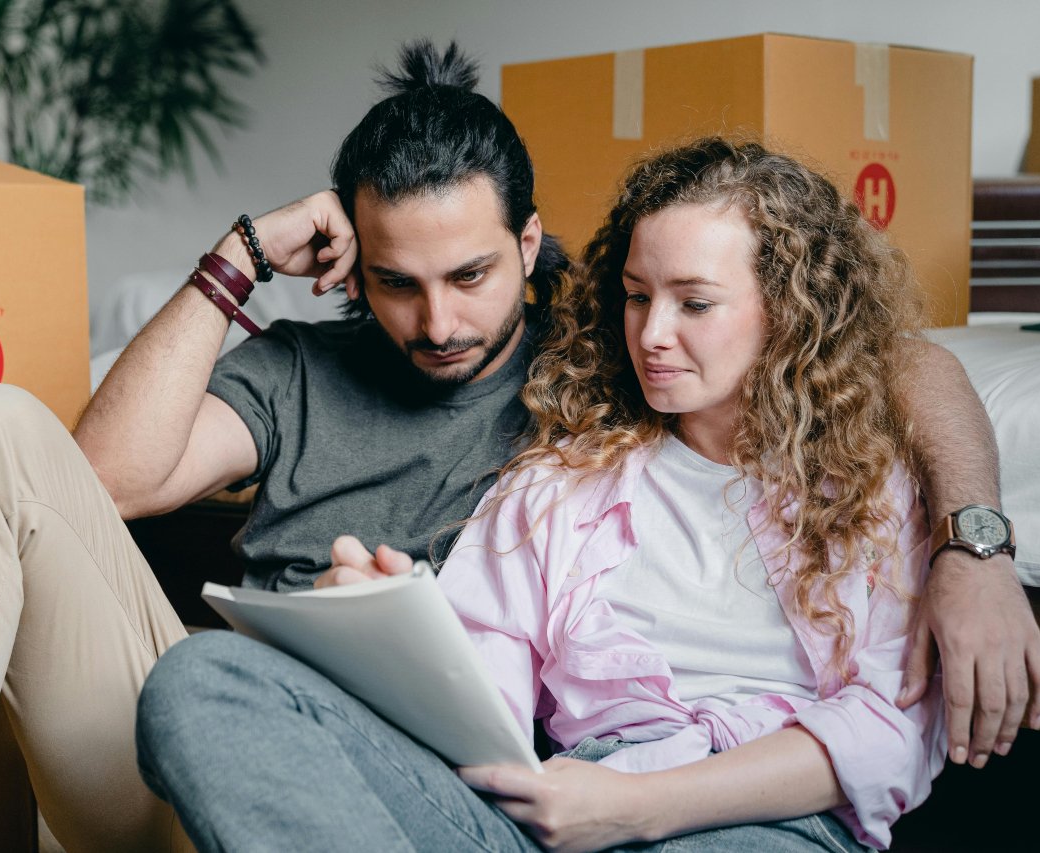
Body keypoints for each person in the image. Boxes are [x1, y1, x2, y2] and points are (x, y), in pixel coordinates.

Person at [0, 40, 1040, 852]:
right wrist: (241, 257)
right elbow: (109, 485)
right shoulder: (324, 374)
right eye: (396, 283)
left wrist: (973, 542)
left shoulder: (604, 355)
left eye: (467, 274)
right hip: (261, 756)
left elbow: (892, 354)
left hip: (447, 791)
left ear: (532, 245)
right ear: (352, 261)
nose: (438, 322)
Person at [135, 137, 955, 852]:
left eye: (695, 303)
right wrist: (394, 638)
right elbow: (482, 706)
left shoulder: (874, 485)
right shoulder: (562, 476)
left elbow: (892, 737)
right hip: (543, 816)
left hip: (755, 823)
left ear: (789, 312)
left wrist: (634, 807)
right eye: (637, 296)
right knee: (202, 676)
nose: (653, 334)